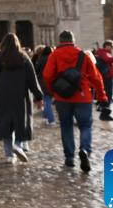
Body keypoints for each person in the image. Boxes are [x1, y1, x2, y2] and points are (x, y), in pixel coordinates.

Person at [42, 30, 108, 172]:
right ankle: (84, 150)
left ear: (59, 41)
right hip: (83, 96)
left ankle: (69, 158)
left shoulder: (55, 55)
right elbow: (96, 78)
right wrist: (102, 97)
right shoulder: (83, 55)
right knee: (85, 126)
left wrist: (54, 90)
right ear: (73, 40)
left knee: (66, 126)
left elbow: (47, 75)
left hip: (62, 98)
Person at [0, 33, 43, 164]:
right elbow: (32, 79)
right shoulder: (24, 58)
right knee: (20, 122)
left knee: (5, 123)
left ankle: (9, 156)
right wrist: (38, 96)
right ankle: (18, 145)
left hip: (2, 96)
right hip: (20, 96)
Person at [95, 39, 113, 121]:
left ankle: (105, 113)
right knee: (108, 95)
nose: (112, 48)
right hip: (107, 76)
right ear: (106, 46)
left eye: (112, 46)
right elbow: (108, 60)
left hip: (109, 76)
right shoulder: (102, 52)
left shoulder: (107, 53)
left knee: (109, 95)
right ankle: (104, 114)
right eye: (110, 46)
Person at [35, 45, 56, 125]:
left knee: (47, 100)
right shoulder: (53, 58)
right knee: (48, 99)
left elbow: (36, 70)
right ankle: (46, 115)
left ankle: (51, 119)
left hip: (43, 81)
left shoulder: (41, 59)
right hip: (53, 81)